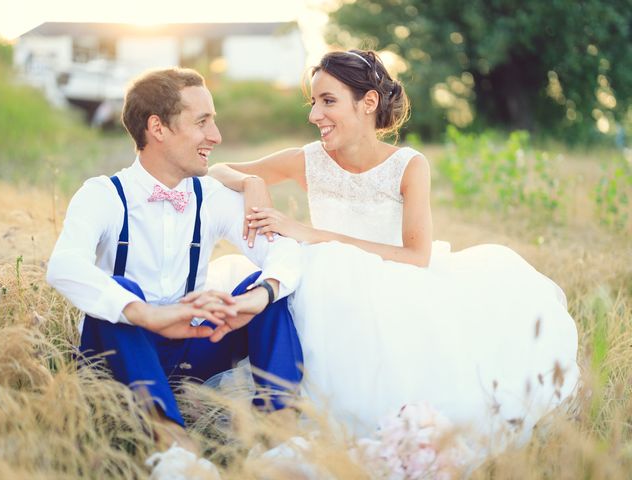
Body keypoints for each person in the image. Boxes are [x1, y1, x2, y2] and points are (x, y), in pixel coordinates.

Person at [207, 50, 580, 454]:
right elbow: (215, 170)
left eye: (328, 101)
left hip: (395, 286)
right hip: (321, 285)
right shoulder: (307, 160)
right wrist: (250, 184)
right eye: (313, 102)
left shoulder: (407, 166)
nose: (315, 115)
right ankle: (282, 418)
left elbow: (416, 256)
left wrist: (309, 233)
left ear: (368, 103)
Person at [46, 68, 304, 475]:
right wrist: (146, 313)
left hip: (192, 347)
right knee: (119, 288)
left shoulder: (211, 196)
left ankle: (279, 437)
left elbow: (285, 252)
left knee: (268, 290)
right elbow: (63, 266)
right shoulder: (102, 195)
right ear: (158, 128)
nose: (216, 136)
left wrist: (259, 296)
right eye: (202, 122)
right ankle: (173, 444)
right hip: (118, 355)